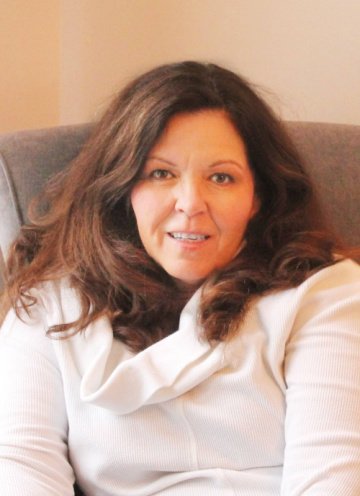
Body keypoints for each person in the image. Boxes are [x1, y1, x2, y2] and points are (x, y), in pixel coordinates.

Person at [0, 61, 359, 496]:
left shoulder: (325, 294)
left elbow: (333, 481)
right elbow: (20, 468)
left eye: (221, 177)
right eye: (161, 173)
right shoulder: (50, 304)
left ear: (258, 197)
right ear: (121, 187)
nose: (190, 203)